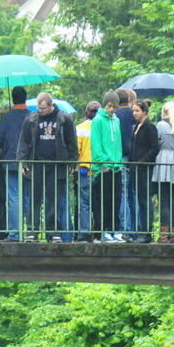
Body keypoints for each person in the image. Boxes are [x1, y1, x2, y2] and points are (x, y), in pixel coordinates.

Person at [17, 93, 77, 243]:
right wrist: (23, 162)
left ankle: (54, 233)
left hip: (57, 165)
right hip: (36, 164)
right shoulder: (31, 119)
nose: (40, 110)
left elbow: (71, 142)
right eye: (39, 108)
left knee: (54, 200)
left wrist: (72, 162)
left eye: (43, 108)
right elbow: (24, 142)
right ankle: (32, 231)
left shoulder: (64, 119)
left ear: (51, 106)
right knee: (34, 199)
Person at [0, 87, 31, 242]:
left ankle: (15, 233)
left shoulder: (7, 118)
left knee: (13, 197)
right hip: (29, 163)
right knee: (27, 197)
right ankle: (30, 232)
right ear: (25, 98)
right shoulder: (32, 116)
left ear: (13, 99)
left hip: (11, 161)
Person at [92, 90, 124, 243]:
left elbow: (118, 144)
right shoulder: (97, 120)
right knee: (103, 201)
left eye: (115, 107)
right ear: (105, 105)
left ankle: (114, 230)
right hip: (103, 168)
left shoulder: (116, 121)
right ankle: (101, 231)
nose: (112, 110)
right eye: (110, 106)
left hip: (116, 166)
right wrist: (103, 163)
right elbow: (96, 146)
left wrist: (118, 162)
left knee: (115, 200)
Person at [152, 101, 174, 243]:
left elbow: (156, 142)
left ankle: (164, 235)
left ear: (163, 111)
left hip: (164, 160)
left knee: (164, 199)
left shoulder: (161, 125)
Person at [128, 99, 158, 243]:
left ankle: (146, 231)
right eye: (133, 111)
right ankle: (140, 230)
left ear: (144, 112)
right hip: (135, 168)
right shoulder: (135, 127)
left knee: (145, 200)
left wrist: (142, 161)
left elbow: (154, 148)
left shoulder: (150, 127)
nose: (134, 113)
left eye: (137, 111)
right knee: (139, 200)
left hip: (144, 168)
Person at [75, 101, 101, 242]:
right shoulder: (103, 127)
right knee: (98, 203)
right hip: (100, 169)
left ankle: (84, 232)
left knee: (84, 203)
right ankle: (99, 233)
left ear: (86, 113)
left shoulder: (80, 128)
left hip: (85, 169)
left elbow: (76, 150)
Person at [116, 88, 138, 240]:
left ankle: (125, 229)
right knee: (133, 194)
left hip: (120, 157)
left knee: (122, 194)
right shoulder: (135, 114)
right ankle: (136, 229)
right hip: (134, 158)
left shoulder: (115, 116)